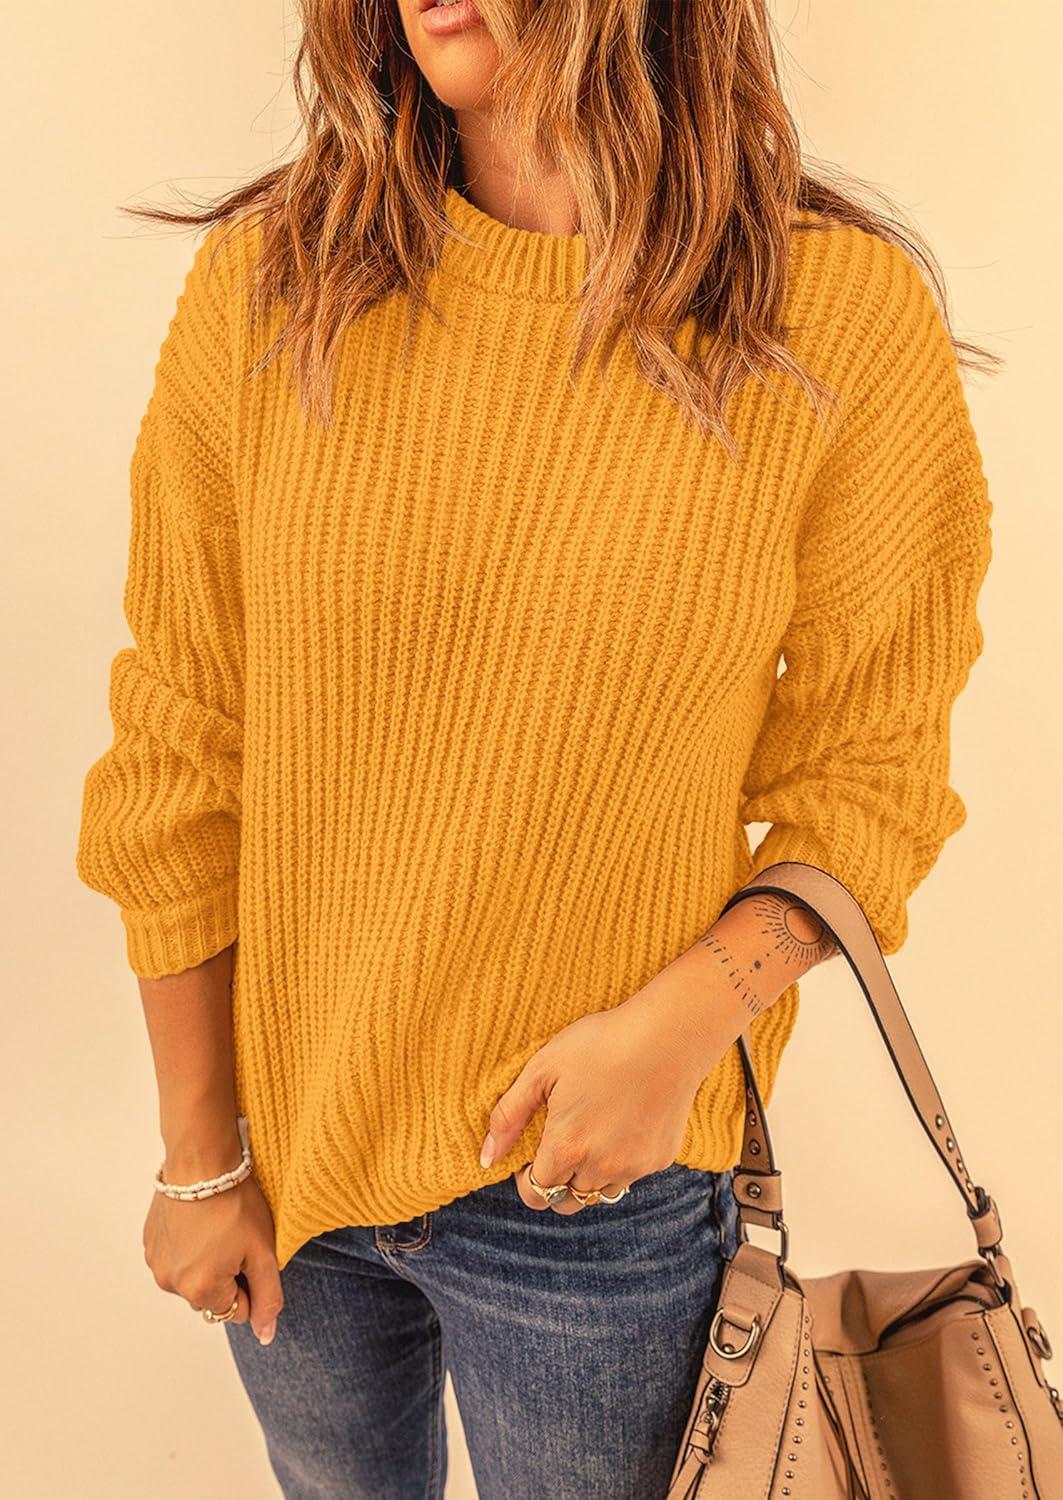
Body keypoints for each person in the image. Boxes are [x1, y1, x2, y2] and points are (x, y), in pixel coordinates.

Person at [74, 1, 996, 1495]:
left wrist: (680, 1029)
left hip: (600, 1195)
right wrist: (202, 1156)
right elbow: (180, 747)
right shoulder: (272, 287)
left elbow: (869, 776)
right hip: (292, 1177)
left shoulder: (831, 316)